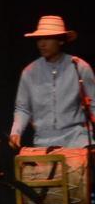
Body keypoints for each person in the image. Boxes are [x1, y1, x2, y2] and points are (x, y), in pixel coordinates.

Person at [10, 16, 95, 149]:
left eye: (48, 38)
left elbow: (93, 103)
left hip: (77, 140)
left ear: (60, 40)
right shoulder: (29, 72)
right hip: (43, 143)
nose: (42, 44)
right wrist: (16, 132)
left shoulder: (79, 67)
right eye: (39, 39)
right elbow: (23, 108)